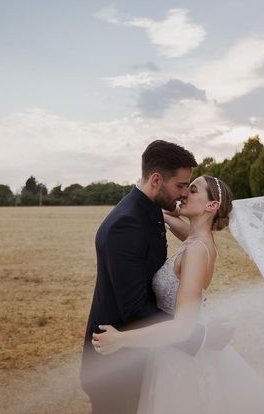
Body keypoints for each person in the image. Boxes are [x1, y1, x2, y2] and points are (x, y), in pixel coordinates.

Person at [92, 174, 264, 414]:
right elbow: (170, 219)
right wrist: (150, 199)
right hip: (168, 352)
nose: (185, 193)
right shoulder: (195, 238)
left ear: (211, 205)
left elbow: (182, 328)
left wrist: (121, 339)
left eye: (193, 189)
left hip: (180, 360)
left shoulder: (198, 251)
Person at [81, 140, 225, 414]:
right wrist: (199, 335)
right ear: (157, 179)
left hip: (147, 354)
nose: (183, 194)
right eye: (181, 186)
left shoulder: (149, 209)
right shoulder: (128, 223)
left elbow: (196, 239)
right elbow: (135, 309)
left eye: (189, 188)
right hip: (116, 363)